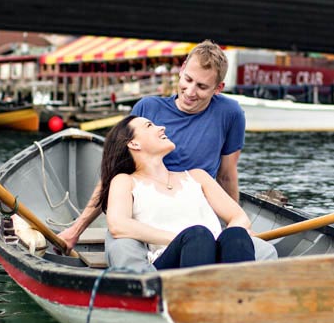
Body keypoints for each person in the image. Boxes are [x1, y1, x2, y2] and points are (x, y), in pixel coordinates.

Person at [58, 39, 277, 267]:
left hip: (193, 204)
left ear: (218, 89)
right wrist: (77, 228)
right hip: (144, 211)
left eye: (202, 87)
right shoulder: (147, 109)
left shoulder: (229, 114)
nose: (190, 92)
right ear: (181, 71)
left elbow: (227, 175)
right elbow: (113, 172)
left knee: (249, 244)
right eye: (188, 80)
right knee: (127, 250)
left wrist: (236, 226)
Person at [97, 115, 255, 269]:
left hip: (214, 253)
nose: (162, 127)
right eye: (149, 126)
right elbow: (118, 225)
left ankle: (242, 294)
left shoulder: (197, 176)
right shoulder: (125, 181)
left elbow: (240, 217)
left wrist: (221, 244)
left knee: (236, 235)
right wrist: (180, 238)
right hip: (168, 262)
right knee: (198, 235)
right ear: (134, 144)